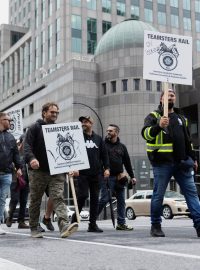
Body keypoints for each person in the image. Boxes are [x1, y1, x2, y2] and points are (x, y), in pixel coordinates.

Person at [141, 89, 200, 237]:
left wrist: (193, 159)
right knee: (158, 196)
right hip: (162, 164)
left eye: (173, 95)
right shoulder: (154, 116)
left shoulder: (182, 118)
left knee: (192, 195)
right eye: (167, 95)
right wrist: (158, 126)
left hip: (183, 163)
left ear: (175, 99)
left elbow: (189, 142)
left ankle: (199, 225)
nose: (171, 97)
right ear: (161, 99)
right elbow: (145, 134)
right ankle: (155, 226)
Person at [24, 102, 78, 238]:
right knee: (36, 199)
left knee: (58, 197)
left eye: (56, 112)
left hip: (56, 171)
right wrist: (32, 159)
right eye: (52, 112)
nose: (55, 114)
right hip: (38, 171)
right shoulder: (34, 128)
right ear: (44, 113)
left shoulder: (59, 130)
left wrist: (71, 168)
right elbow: (27, 147)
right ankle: (34, 227)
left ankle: (64, 225)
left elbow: (66, 151)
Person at [71, 116, 110, 232]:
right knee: (82, 196)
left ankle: (92, 224)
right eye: (82, 122)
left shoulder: (98, 139)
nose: (84, 123)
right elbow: (73, 153)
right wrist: (74, 168)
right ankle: (74, 220)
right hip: (82, 173)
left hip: (96, 174)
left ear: (91, 123)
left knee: (95, 199)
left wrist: (107, 168)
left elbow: (104, 155)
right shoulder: (77, 137)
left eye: (86, 122)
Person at [98, 124, 136, 231]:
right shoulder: (103, 145)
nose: (108, 132)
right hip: (106, 177)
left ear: (116, 132)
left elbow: (127, 163)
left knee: (121, 200)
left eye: (110, 131)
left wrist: (132, 176)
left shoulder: (122, 147)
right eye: (107, 131)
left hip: (119, 177)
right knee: (104, 198)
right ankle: (92, 219)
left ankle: (121, 223)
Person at [0, 112, 22, 235]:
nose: (10, 123)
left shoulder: (11, 137)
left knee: (2, 200)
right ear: (1, 120)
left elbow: (15, 154)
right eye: (8, 120)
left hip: (7, 173)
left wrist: (18, 167)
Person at [6, 134, 29, 229]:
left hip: (26, 180)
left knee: (24, 201)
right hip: (15, 180)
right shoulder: (13, 152)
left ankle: (21, 221)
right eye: (22, 143)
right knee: (15, 199)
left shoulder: (28, 153)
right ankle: (10, 217)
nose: (23, 145)